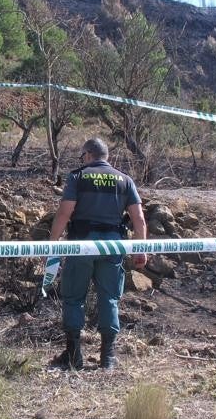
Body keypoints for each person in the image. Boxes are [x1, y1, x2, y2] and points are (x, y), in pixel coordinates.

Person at [45, 137, 147, 370]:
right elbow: (139, 219)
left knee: (73, 297)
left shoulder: (78, 177)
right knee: (110, 298)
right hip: (114, 246)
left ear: (89, 155)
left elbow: (64, 214)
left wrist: (52, 245)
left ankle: (74, 356)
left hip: (82, 244)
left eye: (82, 157)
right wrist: (141, 249)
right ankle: (107, 359)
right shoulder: (125, 180)